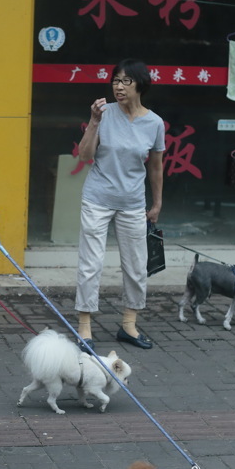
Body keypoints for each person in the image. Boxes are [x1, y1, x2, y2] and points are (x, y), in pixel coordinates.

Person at [74, 58, 165, 351]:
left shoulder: (154, 123)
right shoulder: (104, 113)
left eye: (126, 81)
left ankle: (129, 325)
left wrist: (157, 203)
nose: (119, 87)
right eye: (115, 80)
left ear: (141, 85)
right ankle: (85, 328)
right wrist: (94, 121)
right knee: (91, 264)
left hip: (133, 202)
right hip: (98, 198)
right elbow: (85, 156)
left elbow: (155, 167)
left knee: (137, 266)